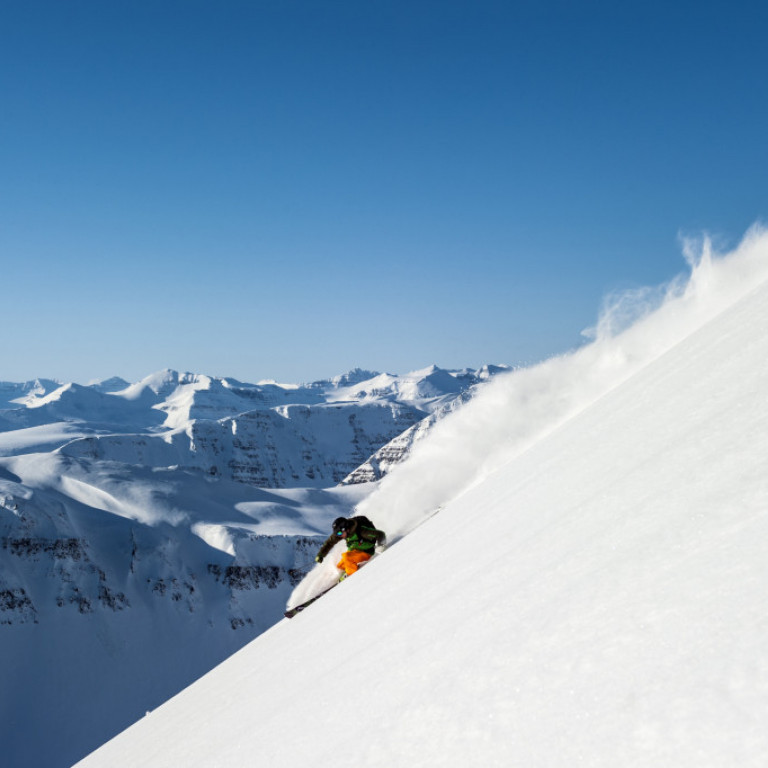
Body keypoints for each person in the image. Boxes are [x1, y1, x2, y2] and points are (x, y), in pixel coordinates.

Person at [315, 515, 386, 578]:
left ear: (346, 529)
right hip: (355, 549)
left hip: (367, 552)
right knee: (340, 566)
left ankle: (350, 576)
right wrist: (321, 554)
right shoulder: (342, 533)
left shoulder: (361, 531)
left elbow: (380, 534)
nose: (339, 536)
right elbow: (329, 543)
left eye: (339, 533)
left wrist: (381, 546)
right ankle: (349, 569)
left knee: (347, 557)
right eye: (337, 534)